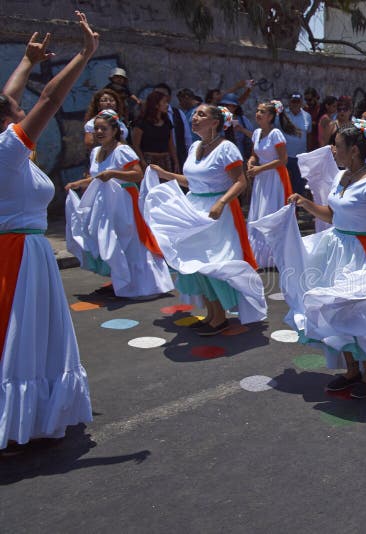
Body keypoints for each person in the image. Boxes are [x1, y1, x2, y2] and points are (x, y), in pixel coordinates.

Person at [0, 12, 97, 449]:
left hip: (24, 253)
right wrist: (83, 54)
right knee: (23, 340)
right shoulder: (6, 150)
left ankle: (33, 414)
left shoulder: (5, 149)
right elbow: (52, 100)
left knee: (30, 339)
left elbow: (8, 98)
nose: (23, 110)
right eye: (18, 112)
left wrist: (25, 62)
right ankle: (26, 418)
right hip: (18, 257)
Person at [277, 120, 366, 398]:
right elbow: (331, 215)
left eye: (337, 146)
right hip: (335, 248)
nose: (332, 150)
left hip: (363, 251)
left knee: (362, 313)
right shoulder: (342, 176)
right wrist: (304, 204)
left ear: (353, 150)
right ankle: (352, 370)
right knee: (335, 308)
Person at [145, 105, 266, 335]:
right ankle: (212, 314)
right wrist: (167, 175)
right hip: (193, 210)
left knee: (212, 264)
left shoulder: (227, 148)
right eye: (194, 114)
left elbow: (240, 181)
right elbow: (193, 182)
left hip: (216, 215)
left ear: (215, 122)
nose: (194, 117)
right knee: (194, 264)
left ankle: (220, 317)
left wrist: (221, 202)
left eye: (201, 114)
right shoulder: (195, 147)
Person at [65, 110, 173, 298]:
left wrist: (114, 174)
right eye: (97, 128)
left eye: (104, 128)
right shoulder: (97, 152)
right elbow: (98, 177)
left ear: (115, 130)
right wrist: (79, 184)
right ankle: (119, 280)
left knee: (129, 240)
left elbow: (137, 173)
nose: (99, 131)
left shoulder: (122, 150)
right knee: (111, 240)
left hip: (124, 201)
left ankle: (145, 284)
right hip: (105, 203)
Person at [246, 100, 297, 222]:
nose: (258, 113)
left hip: (276, 176)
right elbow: (254, 155)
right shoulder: (256, 133)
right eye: (257, 111)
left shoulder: (275, 134)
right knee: (260, 210)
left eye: (262, 112)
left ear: (270, 116)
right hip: (261, 177)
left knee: (271, 209)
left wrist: (260, 168)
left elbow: (283, 160)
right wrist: (251, 162)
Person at [132, 90, 179, 172]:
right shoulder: (142, 122)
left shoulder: (167, 122)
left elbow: (171, 144)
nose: (167, 105)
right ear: (156, 104)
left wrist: (175, 161)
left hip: (165, 160)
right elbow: (136, 145)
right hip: (148, 160)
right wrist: (142, 162)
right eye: (164, 102)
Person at [284, 93, 312, 195]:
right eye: (293, 101)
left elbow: (309, 135)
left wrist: (308, 153)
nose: (295, 104)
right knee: (285, 183)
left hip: (300, 156)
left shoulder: (307, 116)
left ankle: (297, 206)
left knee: (299, 184)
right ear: (289, 102)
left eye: (297, 101)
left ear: (301, 103)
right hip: (285, 156)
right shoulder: (282, 115)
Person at [303, 87, 321, 151]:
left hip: (319, 144)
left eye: (309, 100)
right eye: (306, 100)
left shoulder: (321, 109)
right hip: (307, 145)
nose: (307, 102)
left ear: (315, 98)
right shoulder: (305, 110)